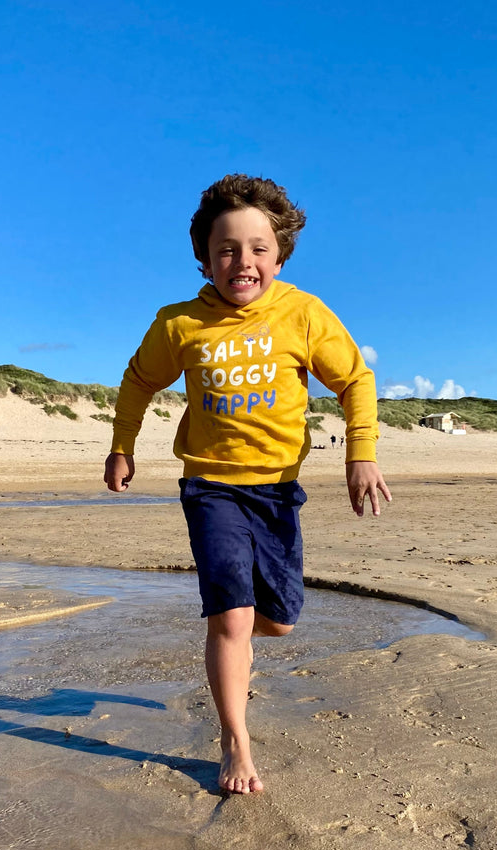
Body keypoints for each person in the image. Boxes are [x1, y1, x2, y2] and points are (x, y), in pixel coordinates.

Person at [104, 174, 391, 795]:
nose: (243, 261)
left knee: (278, 620)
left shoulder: (303, 314)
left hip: (277, 488)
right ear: (205, 259)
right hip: (210, 486)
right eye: (227, 249)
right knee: (232, 618)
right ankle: (235, 740)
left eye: (258, 248)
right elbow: (139, 381)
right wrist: (122, 445)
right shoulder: (180, 324)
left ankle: (232, 634)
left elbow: (355, 381)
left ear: (279, 256)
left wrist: (360, 454)